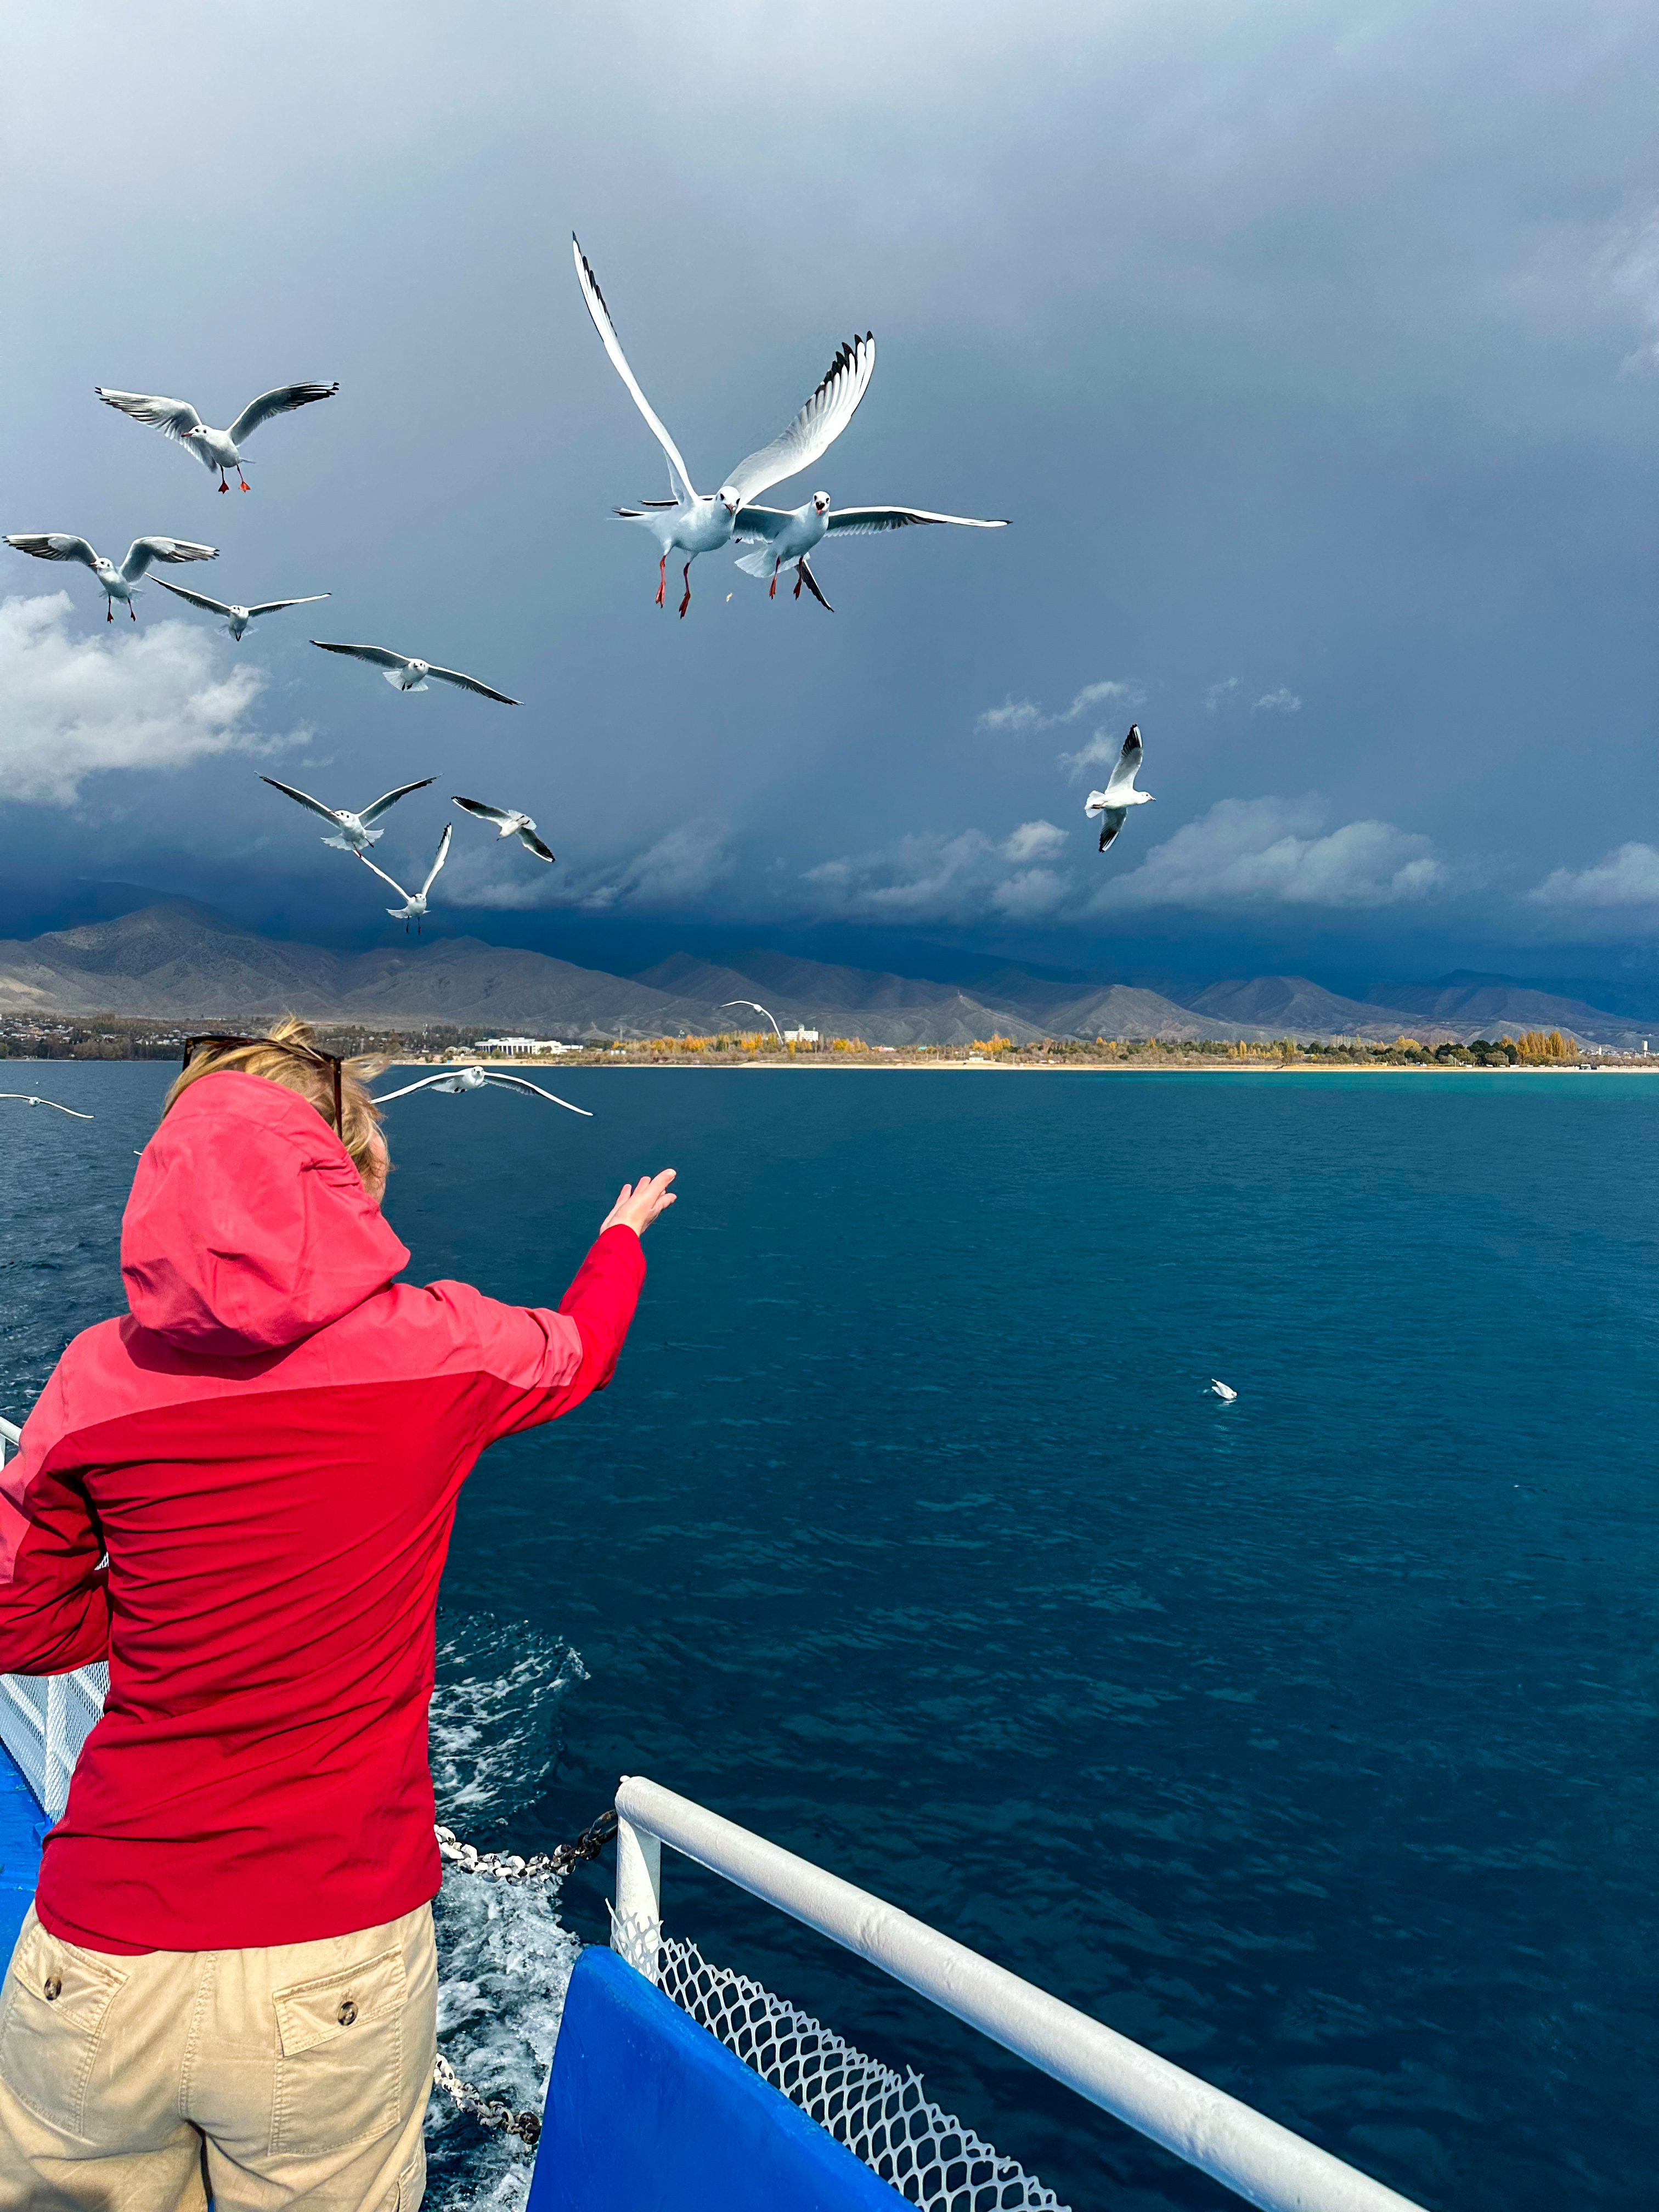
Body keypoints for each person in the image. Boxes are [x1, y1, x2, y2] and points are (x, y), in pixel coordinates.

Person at [0, 1021, 675, 2210]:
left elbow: (20, 1624)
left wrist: (170, 1610)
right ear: (346, 1178)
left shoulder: (92, 1381)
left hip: (96, 1961)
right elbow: (583, 1354)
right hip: (326, 1964)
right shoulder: (438, 1349)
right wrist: (617, 1241)